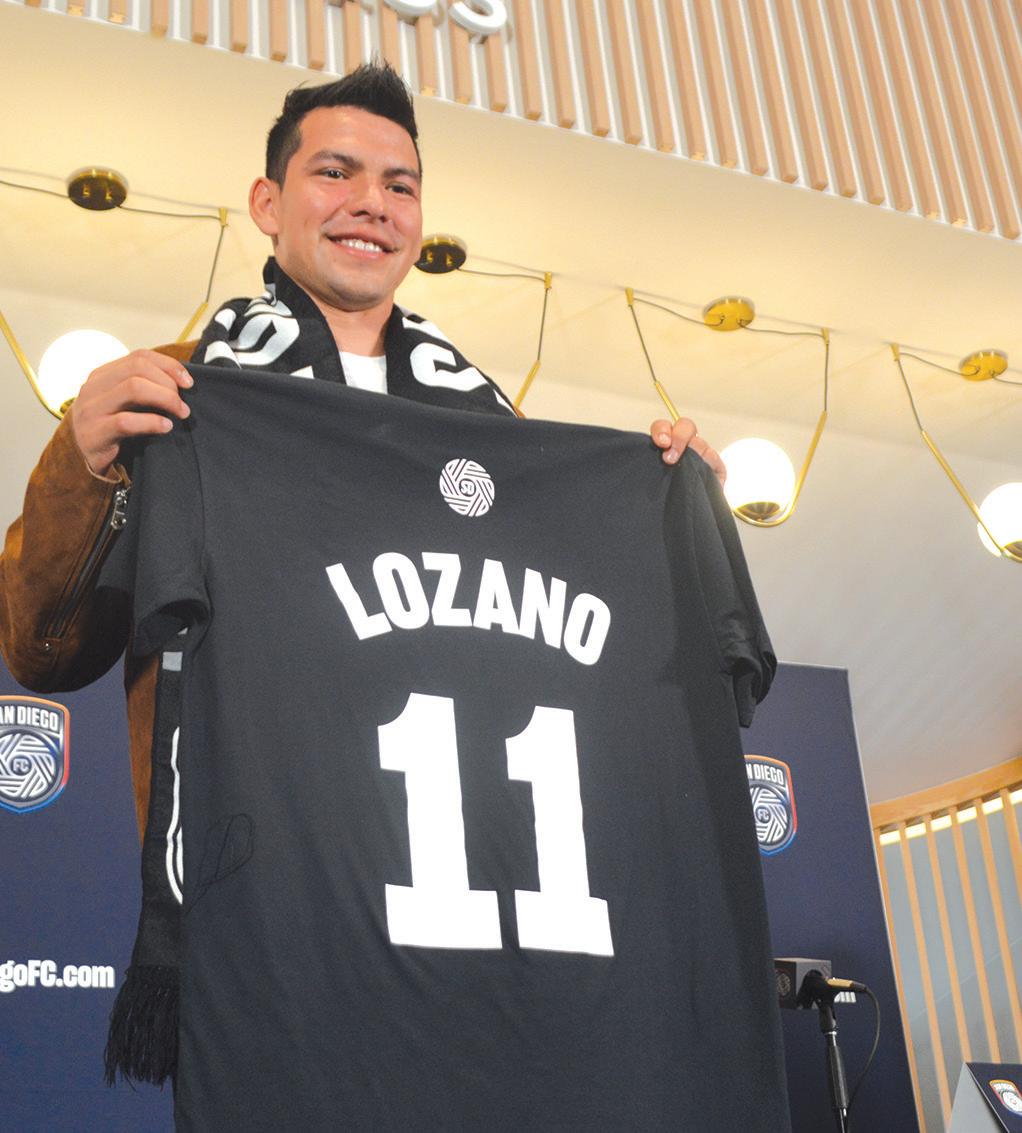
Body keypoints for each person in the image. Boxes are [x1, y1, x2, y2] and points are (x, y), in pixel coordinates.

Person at [0, 64, 731, 1092]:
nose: (371, 203)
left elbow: (588, 665)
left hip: (486, 932)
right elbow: (41, 648)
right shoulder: (177, 396)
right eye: (334, 172)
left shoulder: (494, 431)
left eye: (399, 184)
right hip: (275, 929)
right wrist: (82, 461)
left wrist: (665, 513)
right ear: (268, 203)